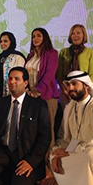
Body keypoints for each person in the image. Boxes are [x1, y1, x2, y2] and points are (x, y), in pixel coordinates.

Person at [0, 67, 51, 185]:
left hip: (26, 155)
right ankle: (9, 176)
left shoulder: (38, 105)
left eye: (17, 79)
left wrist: (31, 161)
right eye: (10, 79)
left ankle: (24, 180)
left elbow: (45, 137)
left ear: (26, 83)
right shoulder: (0, 103)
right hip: (5, 151)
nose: (12, 82)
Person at [25, 28, 59, 175]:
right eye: (33, 36)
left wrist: (37, 91)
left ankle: (48, 165)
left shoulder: (52, 54)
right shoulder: (30, 55)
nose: (36, 38)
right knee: (33, 131)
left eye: (39, 36)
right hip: (31, 97)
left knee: (47, 131)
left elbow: (49, 75)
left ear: (45, 37)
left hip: (46, 97)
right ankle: (36, 164)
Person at [56, 24, 93, 108]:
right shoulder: (63, 52)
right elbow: (59, 74)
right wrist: (64, 90)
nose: (75, 36)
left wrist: (84, 88)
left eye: (78, 33)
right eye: (73, 33)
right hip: (66, 92)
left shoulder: (90, 52)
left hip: (85, 92)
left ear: (84, 35)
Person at [0, 32, 26, 100]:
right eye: (1, 41)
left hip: (12, 93)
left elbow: (20, 76)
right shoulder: (1, 57)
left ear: (11, 42)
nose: (2, 43)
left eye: (5, 41)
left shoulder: (18, 56)